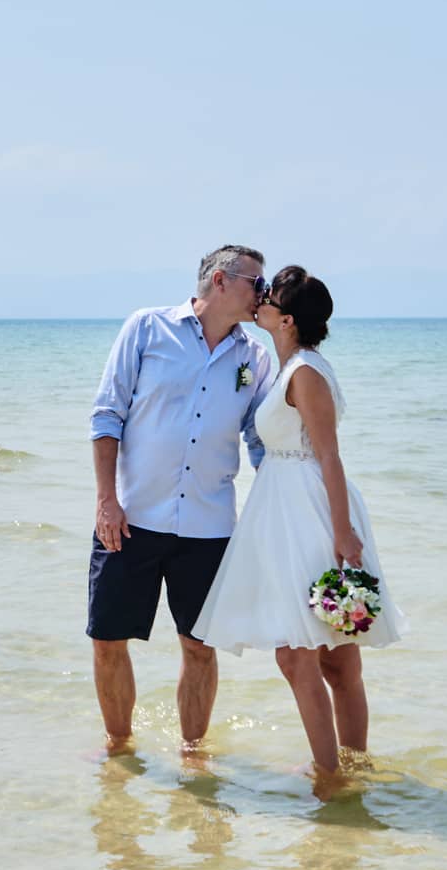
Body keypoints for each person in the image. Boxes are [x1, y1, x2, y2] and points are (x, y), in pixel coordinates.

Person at [191, 267, 405, 797]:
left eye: (269, 298)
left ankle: (330, 772)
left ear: (285, 320)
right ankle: (350, 765)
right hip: (286, 510)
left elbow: (329, 456)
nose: (259, 301)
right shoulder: (290, 366)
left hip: (310, 512)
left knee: (303, 652)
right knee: (333, 653)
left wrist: (342, 532)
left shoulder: (305, 372)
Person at [86, 245, 275, 755]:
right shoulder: (147, 329)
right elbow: (107, 417)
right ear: (220, 279)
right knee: (107, 640)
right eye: (257, 282)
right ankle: (119, 748)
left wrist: (291, 509)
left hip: (209, 529)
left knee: (200, 647)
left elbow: (261, 443)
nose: (265, 293)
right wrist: (107, 500)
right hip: (130, 518)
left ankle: (194, 756)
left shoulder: (254, 358)